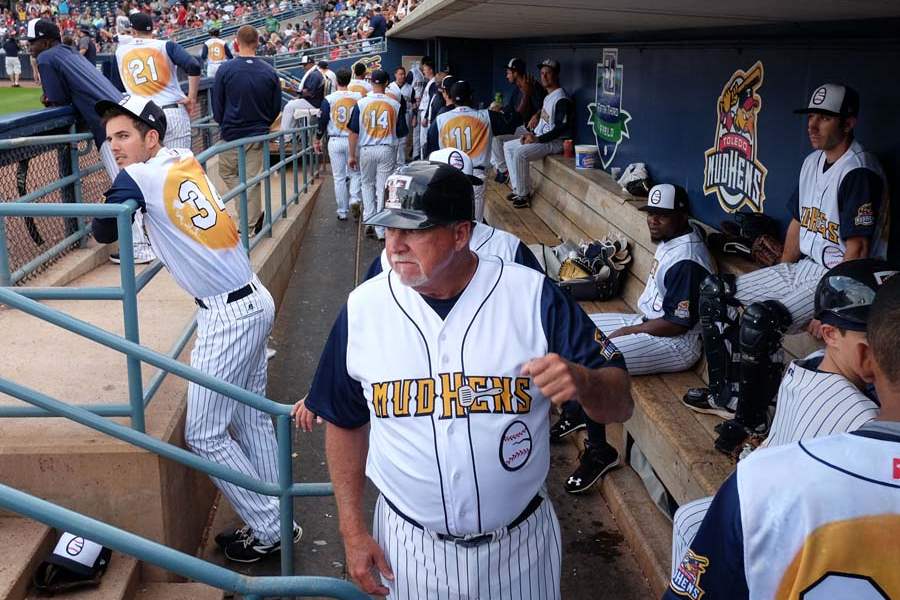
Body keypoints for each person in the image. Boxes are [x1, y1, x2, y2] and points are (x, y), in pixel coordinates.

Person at [295, 161, 633, 598]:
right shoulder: (363, 308)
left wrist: (584, 382)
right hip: (408, 551)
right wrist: (352, 531)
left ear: (460, 233)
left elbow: (620, 402)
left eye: (412, 230)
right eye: (389, 228)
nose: (394, 245)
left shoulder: (532, 296)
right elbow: (344, 420)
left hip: (519, 550)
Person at [90, 95, 300, 564]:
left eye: (124, 136)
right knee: (248, 417)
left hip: (229, 315)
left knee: (204, 434)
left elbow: (103, 231)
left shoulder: (143, 174)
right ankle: (277, 516)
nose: (115, 147)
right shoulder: (181, 157)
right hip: (250, 296)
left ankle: (270, 526)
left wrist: (127, 186)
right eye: (110, 140)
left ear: (151, 137)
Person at [664, 272, 900, 600]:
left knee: (691, 523)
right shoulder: (829, 381)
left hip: (770, 503)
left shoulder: (822, 376)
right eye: (870, 333)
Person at [684, 83, 890, 455]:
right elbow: (796, 224)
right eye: (810, 116)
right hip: (804, 268)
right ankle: (726, 396)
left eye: (824, 118)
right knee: (714, 291)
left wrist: (831, 310)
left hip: (841, 281)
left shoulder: (859, 171)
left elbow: (857, 250)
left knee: (760, 320)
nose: (812, 125)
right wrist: (779, 275)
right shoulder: (812, 162)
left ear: (848, 123)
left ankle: (753, 418)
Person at [553, 184, 715, 494]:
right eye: (651, 214)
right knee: (575, 327)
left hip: (675, 344)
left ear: (681, 215)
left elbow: (677, 325)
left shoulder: (688, 260)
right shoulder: (676, 236)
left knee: (595, 358)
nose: (653, 221)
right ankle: (576, 411)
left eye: (662, 216)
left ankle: (600, 451)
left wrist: (630, 332)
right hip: (646, 320)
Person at [27, 18, 136, 258]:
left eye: (33, 42)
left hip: (113, 125)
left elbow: (57, 100)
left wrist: (49, 99)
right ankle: (146, 243)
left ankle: (140, 247)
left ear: (46, 41)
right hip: (127, 114)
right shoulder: (69, 52)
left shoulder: (46, 57)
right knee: (135, 182)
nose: (29, 47)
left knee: (128, 186)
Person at [364, 148, 543, 280]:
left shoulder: (508, 247)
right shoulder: (390, 259)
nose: (454, 197)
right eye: (443, 188)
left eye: (463, 187)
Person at [211, 25, 281, 235]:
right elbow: (275, 107)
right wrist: (263, 123)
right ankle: (251, 217)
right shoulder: (269, 71)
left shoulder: (225, 69)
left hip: (232, 134)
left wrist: (225, 122)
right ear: (257, 43)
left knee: (232, 175)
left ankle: (248, 225)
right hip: (258, 133)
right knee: (249, 181)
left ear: (236, 43)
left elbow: (217, 105)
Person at [429, 79, 515, 222]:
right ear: (471, 97)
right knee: (474, 223)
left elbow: (431, 152)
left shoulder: (440, 120)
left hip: (450, 174)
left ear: (450, 96)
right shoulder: (487, 116)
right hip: (476, 176)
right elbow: (512, 125)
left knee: (452, 221)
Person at [113, 12, 200, 150]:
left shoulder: (120, 52)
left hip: (142, 116)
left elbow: (117, 88)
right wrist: (192, 98)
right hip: (172, 112)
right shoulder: (166, 45)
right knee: (178, 168)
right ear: (152, 29)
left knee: (149, 169)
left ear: (133, 30)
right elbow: (193, 66)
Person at [503, 58, 572, 208]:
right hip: (542, 139)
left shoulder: (562, 98)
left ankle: (523, 195)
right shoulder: (549, 96)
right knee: (508, 147)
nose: (544, 77)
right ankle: (517, 188)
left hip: (554, 142)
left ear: (556, 75)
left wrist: (537, 139)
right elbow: (545, 120)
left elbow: (561, 128)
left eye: (548, 73)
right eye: (542, 73)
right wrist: (530, 135)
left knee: (520, 153)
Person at [347, 68, 407, 240]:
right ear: (387, 83)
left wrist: (351, 155)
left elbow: (353, 133)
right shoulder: (395, 104)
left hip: (366, 149)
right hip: (387, 149)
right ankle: (381, 229)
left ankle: (369, 220)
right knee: (382, 188)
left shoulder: (361, 103)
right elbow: (402, 132)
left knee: (367, 184)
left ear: (371, 82)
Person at [315, 68, 361, 221]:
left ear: (336, 81)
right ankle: (354, 198)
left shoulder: (329, 98)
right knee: (355, 173)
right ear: (349, 80)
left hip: (335, 139)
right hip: (353, 139)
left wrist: (317, 138)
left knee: (339, 177)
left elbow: (322, 121)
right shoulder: (358, 96)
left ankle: (342, 211)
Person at [490, 57, 545, 184]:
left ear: (515, 72)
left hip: (533, 133)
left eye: (509, 72)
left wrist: (537, 114)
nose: (507, 75)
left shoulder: (533, 87)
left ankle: (504, 171)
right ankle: (504, 170)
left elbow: (544, 106)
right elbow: (511, 108)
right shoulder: (517, 89)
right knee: (494, 135)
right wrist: (500, 109)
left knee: (497, 138)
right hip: (522, 128)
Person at [386, 65, 413, 166]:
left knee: (403, 141)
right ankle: (392, 163)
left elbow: (414, 103)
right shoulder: (390, 87)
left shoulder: (410, 88)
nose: (402, 76)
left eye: (403, 74)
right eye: (400, 74)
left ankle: (401, 163)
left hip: (405, 115)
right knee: (393, 141)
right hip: (393, 116)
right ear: (395, 75)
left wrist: (414, 116)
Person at [416, 55, 436, 159]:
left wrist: (426, 116)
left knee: (424, 140)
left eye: (425, 69)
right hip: (425, 113)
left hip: (427, 115)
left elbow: (432, 102)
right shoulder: (430, 82)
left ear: (431, 70)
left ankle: (425, 161)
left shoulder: (433, 83)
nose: (423, 71)